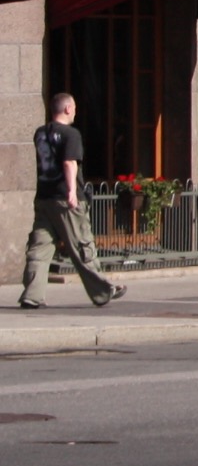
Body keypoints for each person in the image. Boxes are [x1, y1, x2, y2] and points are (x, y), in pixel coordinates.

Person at [22, 93, 122, 311]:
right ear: (67, 109)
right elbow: (69, 163)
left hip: (44, 197)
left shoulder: (40, 133)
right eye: (74, 107)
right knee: (81, 244)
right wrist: (71, 192)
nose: (75, 111)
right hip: (64, 198)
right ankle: (102, 290)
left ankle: (32, 294)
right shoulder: (71, 134)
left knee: (40, 246)